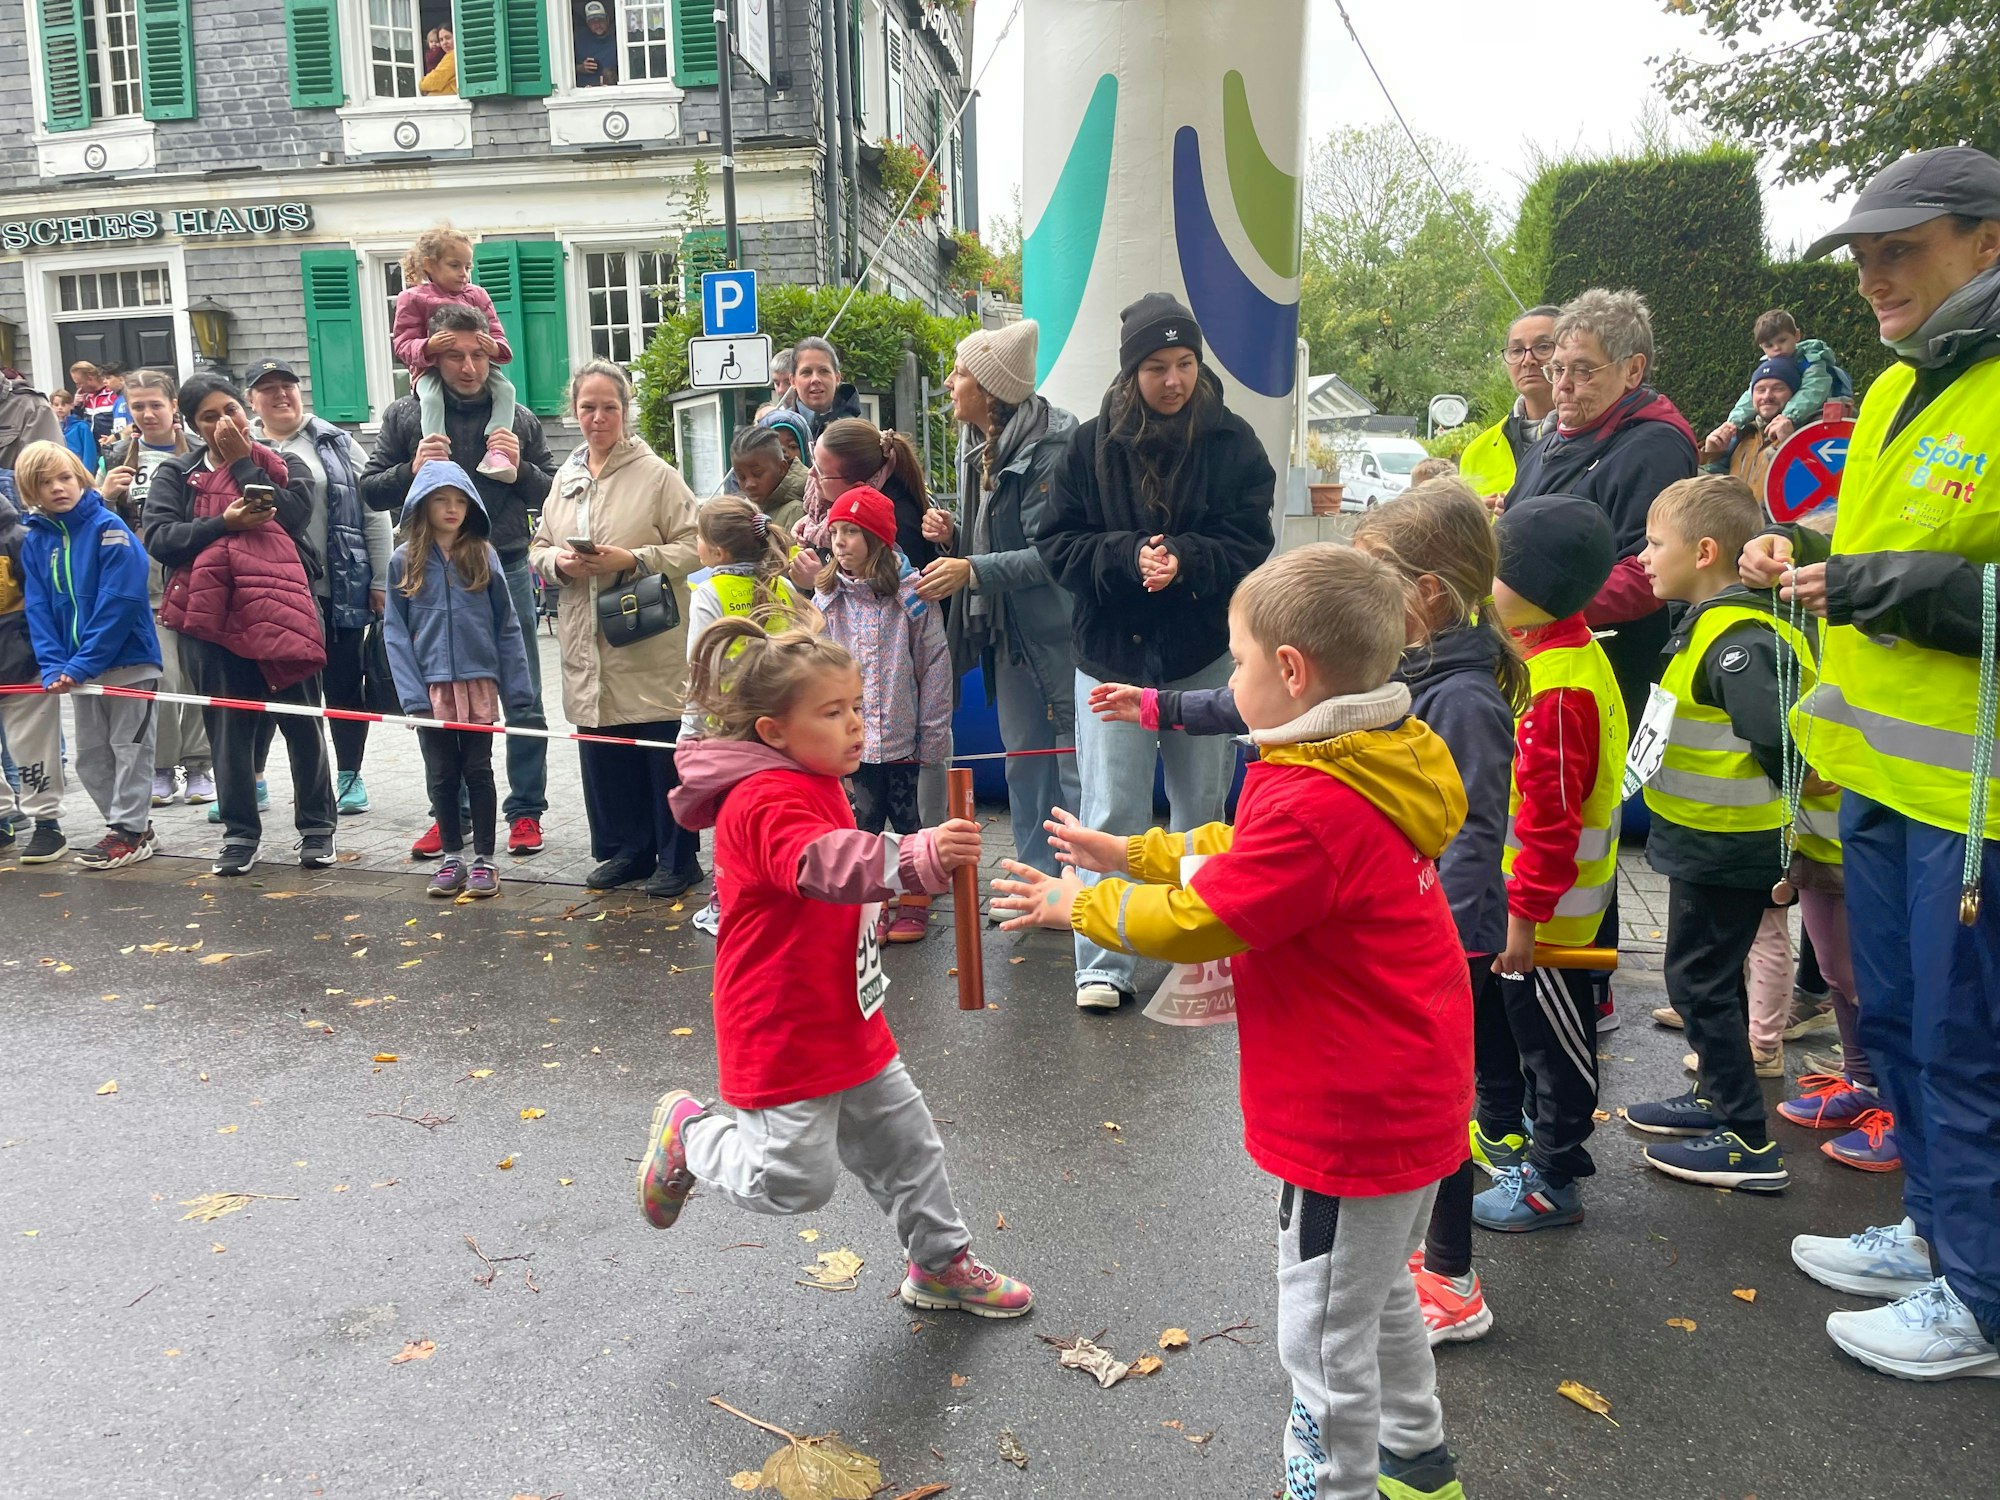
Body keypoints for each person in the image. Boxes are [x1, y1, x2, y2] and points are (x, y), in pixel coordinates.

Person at [992, 543, 1473, 1500]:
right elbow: (1242, 853)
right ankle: (1418, 1465)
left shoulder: (1311, 796)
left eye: (1240, 659)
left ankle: (1333, 1485)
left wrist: (1077, 904)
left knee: (1321, 1330)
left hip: (1349, 1113)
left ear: (1289, 672)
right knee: (1374, 1308)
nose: (1233, 676)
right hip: (1411, 1091)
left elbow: (1209, 914)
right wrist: (1133, 852)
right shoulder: (1374, 755)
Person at [1741, 146, 2000, 1380]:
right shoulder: (1901, 387)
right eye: (1860, 258)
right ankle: (1943, 1239)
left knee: (1960, 1045)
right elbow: (1883, 545)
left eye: (1900, 250)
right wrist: (1798, 550)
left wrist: (1897, 588)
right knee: (1895, 1027)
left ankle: (1982, 1302)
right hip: (1888, 785)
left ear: (1985, 243)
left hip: (1973, 797)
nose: (1872, 279)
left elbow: (1934, 577)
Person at [638, 617, 1033, 1323]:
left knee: (908, 1145)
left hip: (847, 1013)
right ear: (772, 731)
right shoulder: (762, 801)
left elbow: (842, 853)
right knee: (791, 1184)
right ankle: (692, 1135)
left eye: (856, 706)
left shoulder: (815, 777)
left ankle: (941, 1265)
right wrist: (916, 857)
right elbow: (825, 864)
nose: (856, 725)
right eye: (832, 712)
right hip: (781, 1022)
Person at [1036, 292, 1276, 1010]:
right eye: (1156, 366)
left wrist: (1188, 560)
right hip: (1110, 660)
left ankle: (1191, 947)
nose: (1173, 380)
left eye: (1184, 364)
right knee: (1110, 810)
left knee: (1200, 811)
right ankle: (1103, 964)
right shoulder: (1087, 445)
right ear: (1130, 371)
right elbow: (1057, 544)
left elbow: (1250, 542)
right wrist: (1126, 556)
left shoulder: (1234, 442)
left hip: (1200, 656)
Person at [1621, 475, 1821, 1193]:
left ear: (1704, 552)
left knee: (1699, 983)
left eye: (1653, 543)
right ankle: (1713, 1102)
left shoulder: (1739, 636)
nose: (1643, 558)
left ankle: (1746, 1139)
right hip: (1704, 839)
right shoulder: (1711, 621)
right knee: (1704, 979)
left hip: (1730, 844)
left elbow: (1778, 734)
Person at [1506, 289, 1698, 1034]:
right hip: (1541, 649)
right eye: (1557, 369)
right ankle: (1546, 963)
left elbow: (1647, 572)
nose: (1561, 387)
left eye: (1582, 372)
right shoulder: (1557, 429)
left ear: (1633, 369)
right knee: (1543, 810)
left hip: (1601, 660)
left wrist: (1544, 600)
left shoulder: (1654, 445)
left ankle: (1589, 987)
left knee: (1582, 818)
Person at [1468, 494, 1628, 1233]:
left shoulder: (1559, 686)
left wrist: (1525, 921)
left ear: (1530, 586)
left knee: (1556, 1051)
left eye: (1496, 570)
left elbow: (1550, 819)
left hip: (1550, 920)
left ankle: (1555, 1177)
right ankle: (1535, 1147)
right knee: (1532, 1041)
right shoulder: (1558, 649)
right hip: (1532, 910)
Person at [363, 302, 555, 859]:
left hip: (507, 564)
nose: (469, 367)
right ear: (433, 355)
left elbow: (548, 493)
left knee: (523, 695)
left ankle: (524, 812)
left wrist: (521, 469)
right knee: (438, 692)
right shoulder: (406, 415)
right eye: (455, 355)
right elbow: (370, 489)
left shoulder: (516, 416)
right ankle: (453, 813)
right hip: (428, 570)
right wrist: (410, 471)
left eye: (478, 354)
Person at [141, 373, 337, 879]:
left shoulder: (282, 461)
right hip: (211, 620)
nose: (223, 422)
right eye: (209, 416)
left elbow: (291, 514)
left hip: (281, 610)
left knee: (302, 722)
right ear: (191, 425)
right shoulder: (175, 474)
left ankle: (317, 830)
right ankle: (239, 835)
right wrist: (223, 524)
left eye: (230, 409)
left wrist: (243, 461)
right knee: (228, 731)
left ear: (244, 411)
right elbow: (162, 538)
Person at [527, 361, 700, 896]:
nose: (597, 417)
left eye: (609, 407)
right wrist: (560, 562)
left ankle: (678, 857)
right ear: (573, 411)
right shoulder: (568, 477)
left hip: (647, 639)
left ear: (626, 412)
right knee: (606, 747)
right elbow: (537, 547)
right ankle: (628, 850)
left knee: (657, 748)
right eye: (587, 407)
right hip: (586, 638)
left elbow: (696, 547)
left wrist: (633, 557)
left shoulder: (657, 476)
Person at [920, 319, 1080, 877]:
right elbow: (997, 535)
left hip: (1055, 632)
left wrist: (971, 568)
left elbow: (1054, 556)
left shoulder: (1054, 450)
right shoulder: (978, 443)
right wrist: (955, 534)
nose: (948, 382)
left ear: (989, 390)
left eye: (960, 372)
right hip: (1008, 629)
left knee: (1068, 762)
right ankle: (1035, 874)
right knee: (1023, 761)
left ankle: (1079, 881)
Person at [245, 359, 394, 819]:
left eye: (286, 386)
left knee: (345, 683)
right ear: (252, 400)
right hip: (268, 590)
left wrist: (382, 578)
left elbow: (373, 511)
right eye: (266, 389)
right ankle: (254, 778)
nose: (279, 395)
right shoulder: (241, 446)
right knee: (267, 685)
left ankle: (349, 774)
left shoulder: (334, 441)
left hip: (339, 585)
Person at [385, 463, 535, 899]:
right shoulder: (402, 560)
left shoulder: (482, 555)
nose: (451, 509)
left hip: (477, 685)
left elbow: (507, 625)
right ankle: (452, 856)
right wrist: (413, 698)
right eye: (440, 500)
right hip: (431, 690)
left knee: (478, 770)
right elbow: (394, 634)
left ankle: (485, 861)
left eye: (459, 500)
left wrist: (518, 687)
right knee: (442, 775)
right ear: (421, 505)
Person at [14, 441, 161, 869]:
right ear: (30, 491)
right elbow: (38, 608)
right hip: (80, 673)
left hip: (129, 663)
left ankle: (129, 832)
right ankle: (127, 826)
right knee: (91, 758)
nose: (58, 488)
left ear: (81, 477)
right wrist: (54, 664)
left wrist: (81, 663)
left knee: (130, 749)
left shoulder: (108, 528)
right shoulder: (36, 542)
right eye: (45, 483)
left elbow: (119, 602)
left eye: (65, 477)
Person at [814, 485, 951, 943]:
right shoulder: (830, 597)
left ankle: (915, 894)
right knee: (863, 821)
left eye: (852, 531)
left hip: (902, 736)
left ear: (878, 540)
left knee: (909, 820)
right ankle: (871, 899)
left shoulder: (911, 598)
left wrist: (932, 735)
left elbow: (934, 665)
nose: (840, 541)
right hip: (851, 739)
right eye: (835, 531)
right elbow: (815, 663)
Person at [97, 369, 213, 809]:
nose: (147, 414)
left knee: (197, 678)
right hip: (144, 590)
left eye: (155, 405)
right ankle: (163, 767)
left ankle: (200, 765)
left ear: (173, 408)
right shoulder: (117, 460)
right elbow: (96, 524)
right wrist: (105, 496)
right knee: (161, 680)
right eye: (137, 406)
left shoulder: (200, 455)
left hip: (197, 583)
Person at [392, 228, 518, 482]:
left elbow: (498, 336)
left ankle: (497, 450)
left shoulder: (477, 295)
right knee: (431, 399)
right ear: (430, 265)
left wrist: (494, 348)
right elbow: (403, 344)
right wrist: (428, 346)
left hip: (482, 368)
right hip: (430, 369)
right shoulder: (413, 298)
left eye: (467, 266)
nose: (464, 273)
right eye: (455, 265)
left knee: (506, 391)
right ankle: (437, 454)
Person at [0, 465, 68, 864]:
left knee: (33, 748)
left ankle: (47, 824)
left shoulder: (21, 540)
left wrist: (46, 658)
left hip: (24, 662)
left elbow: (45, 606)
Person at [1457, 304, 1561, 506]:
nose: (1528, 360)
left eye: (1543, 347)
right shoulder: (1477, 452)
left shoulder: (1597, 437)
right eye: (1516, 350)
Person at [1705, 308, 1847, 454]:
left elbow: (1813, 391)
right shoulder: (1767, 365)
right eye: (1769, 345)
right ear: (1762, 347)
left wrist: (1788, 416)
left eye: (1782, 340)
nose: (1777, 348)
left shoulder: (1812, 360)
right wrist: (1733, 422)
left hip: (1817, 412)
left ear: (1796, 335)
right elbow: (1750, 396)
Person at [1699, 353, 1800, 500]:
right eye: (1760, 390)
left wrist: (1792, 443)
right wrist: (1712, 455)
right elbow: (1713, 495)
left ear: (1794, 394)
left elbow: (1818, 484)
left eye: (1778, 388)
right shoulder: (1740, 435)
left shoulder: (1809, 432)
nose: (1767, 396)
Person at [728, 424, 808, 532]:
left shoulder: (795, 510)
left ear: (782, 468)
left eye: (757, 473)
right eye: (741, 477)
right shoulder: (745, 509)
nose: (749, 484)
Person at [785, 336, 863, 441]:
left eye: (823, 371)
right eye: (806, 372)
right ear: (793, 381)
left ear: (837, 378)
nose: (815, 379)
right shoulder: (779, 431)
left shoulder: (859, 434)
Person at [50, 389, 100, 475]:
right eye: (56, 405)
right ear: (51, 406)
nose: (60, 407)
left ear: (71, 405)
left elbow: (89, 454)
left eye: (64, 404)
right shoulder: (50, 428)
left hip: (78, 471)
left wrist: (86, 475)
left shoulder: (81, 427)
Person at [573, 1, 619, 86]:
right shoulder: (578, 40)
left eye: (601, 20)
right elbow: (564, 70)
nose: (597, 25)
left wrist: (614, 75)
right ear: (587, 23)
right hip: (584, 90)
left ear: (607, 20)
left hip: (614, 88)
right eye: (593, 22)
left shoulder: (618, 38)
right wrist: (581, 68)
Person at [418, 27, 456, 95]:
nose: (444, 42)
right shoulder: (448, 55)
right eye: (441, 40)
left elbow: (437, 78)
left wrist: (421, 84)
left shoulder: (453, 55)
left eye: (448, 38)